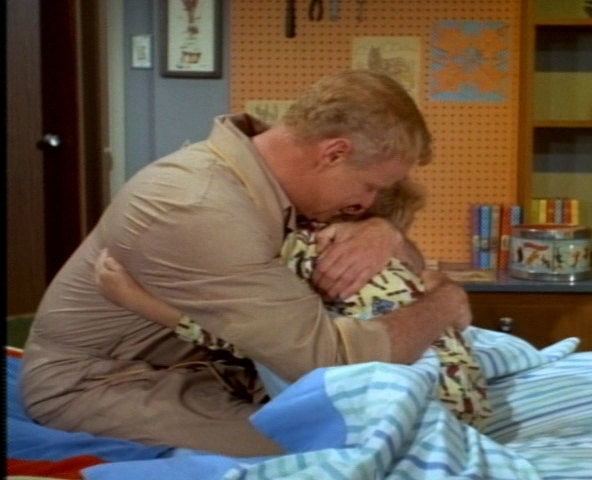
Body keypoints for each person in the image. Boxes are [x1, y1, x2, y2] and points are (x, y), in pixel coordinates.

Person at [20, 70, 472, 457]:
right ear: (333, 153)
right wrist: (445, 304)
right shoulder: (198, 207)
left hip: (207, 363)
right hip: (103, 381)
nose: (366, 203)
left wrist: (385, 232)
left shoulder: (273, 180)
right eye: (369, 187)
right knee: (347, 449)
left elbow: (402, 274)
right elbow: (332, 362)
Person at [94, 179, 492, 430]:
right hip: (466, 407)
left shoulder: (315, 247)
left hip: (406, 411)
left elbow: (256, 335)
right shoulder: (396, 260)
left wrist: (138, 301)